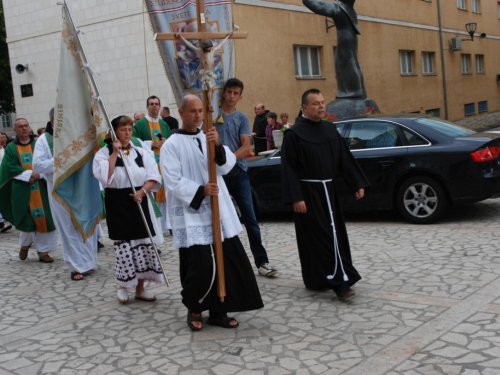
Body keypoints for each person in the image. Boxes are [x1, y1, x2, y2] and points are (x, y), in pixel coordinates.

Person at [160, 94, 263, 331]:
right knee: (201, 265)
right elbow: (173, 181)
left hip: (218, 210)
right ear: (181, 112)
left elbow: (226, 165)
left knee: (227, 260)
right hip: (192, 212)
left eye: (200, 111)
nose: (197, 116)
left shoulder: (208, 137)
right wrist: (200, 190)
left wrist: (216, 144)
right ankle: (195, 307)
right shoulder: (171, 145)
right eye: (193, 111)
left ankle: (219, 310)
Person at [281, 88, 370, 300]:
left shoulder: (330, 130)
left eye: (322, 102)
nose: (321, 106)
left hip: (328, 191)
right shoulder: (294, 134)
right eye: (316, 103)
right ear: (304, 107)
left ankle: (318, 279)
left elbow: (344, 159)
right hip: (308, 194)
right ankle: (339, 283)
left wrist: (356, 182)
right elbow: (289, 168)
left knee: (335, 235)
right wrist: (296, 197)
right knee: (320, 237)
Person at [93, 115, 164, 303]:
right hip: (117, 202)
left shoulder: (140, 152)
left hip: (139, 200)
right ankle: (123, 285)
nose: (127, 133)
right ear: (114, 132)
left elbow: (153, 175)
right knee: (125, 248)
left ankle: (140, 289)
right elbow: (103, 177)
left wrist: (142, 191)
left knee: (143, 246)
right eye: (123, 129)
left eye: (129, 129)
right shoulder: (103, 153)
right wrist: (114, 154)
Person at [214, 78, 278, 277]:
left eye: (236, 93)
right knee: (220, 220)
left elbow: (246, 147)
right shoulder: (213, 116)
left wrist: (228, 160)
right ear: (223, 93)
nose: (232, 96)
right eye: (229, 92)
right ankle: (223, 264)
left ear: (240, 97)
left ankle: (262, 262)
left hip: (238, 173)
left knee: (250, 218)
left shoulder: (242, 118)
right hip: (217, 176)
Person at [33, 108, 100, 280]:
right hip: (58, 188)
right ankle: (76, 266)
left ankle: (88, 261)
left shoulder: (78, 137)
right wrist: (63, 160)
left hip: (80, 186)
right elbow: (38, 166)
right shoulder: (44, 140)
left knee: (84, 221)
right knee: (67, 227)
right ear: (53, 121)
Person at [0, 118, 57, 262]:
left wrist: (40, 173)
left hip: (41, 186)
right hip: (22, 188)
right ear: (15, 130)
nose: (24, 128)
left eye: (26, 125)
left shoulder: (39, 144)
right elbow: (9, 167)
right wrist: (29, 174)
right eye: (20, 126)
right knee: (27, 220)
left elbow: (49, 160)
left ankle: (43, 252)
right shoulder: (11, 148)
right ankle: (25, 245)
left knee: (45, 219)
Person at [302, 0, 366, 99]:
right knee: (347, 65)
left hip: (350, 42)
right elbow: (315, 5)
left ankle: (355, 91)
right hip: (344, 41)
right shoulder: (336, 7)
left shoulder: (349, 8)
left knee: (352, 65)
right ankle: (350, 92)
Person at [133, 96, 171, 232]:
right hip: (149, 164)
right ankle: (155, 224)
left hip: (164, 163)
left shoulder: (164, 124)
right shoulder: (140, 124)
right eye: (151, 104)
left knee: (165, 191)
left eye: (156, 104)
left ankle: (168, 224)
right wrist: (151, 143)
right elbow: (134, 143)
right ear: (147, 107)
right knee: (154, 191)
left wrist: (166, 142)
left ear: (160, 107)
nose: (154, 106)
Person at [175, 33, 232, 112]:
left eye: (210, 47)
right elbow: (190, 45)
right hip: (206, 74)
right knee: (210, 88)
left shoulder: (212, 51)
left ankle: (210, 104)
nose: (210, 49)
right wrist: (181, 37)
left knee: (212, 90)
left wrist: (228, 36)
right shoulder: (201, 52)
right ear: (205, 48)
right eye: (208, 48)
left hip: (211, 74)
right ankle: (210, 105)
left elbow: (221, 43)